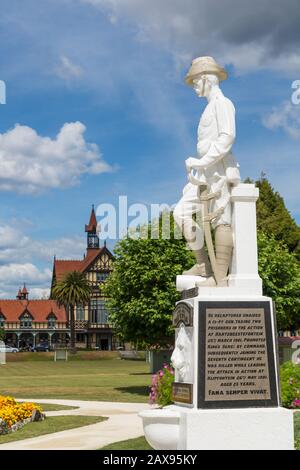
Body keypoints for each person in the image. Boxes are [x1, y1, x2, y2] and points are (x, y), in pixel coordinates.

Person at [174, 57, 240, 286]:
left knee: (221, 219)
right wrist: (200, 165)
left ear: (205, 79)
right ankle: (204, 265)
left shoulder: (223, 103)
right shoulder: (210, 107)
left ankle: (219, 278)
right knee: (180, 212)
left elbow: (227, 138)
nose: (193, 86)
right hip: (204, 170)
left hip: (218, 169)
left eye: (195, 81)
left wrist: (203, 162)